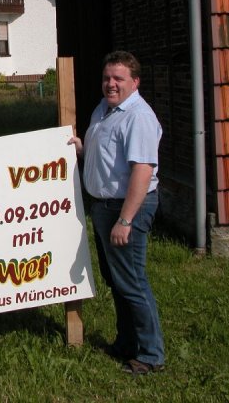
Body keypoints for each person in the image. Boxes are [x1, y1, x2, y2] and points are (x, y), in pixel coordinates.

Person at [69, 50, 165, 375]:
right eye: (107, 78)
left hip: (126, 208)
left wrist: (125, 220)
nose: (111, 84)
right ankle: (127, 342)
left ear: (135, 82)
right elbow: (109, 157)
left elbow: (142, 171)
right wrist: (81, 149)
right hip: (104, 207)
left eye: (118, 79)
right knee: (117, 280)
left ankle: (151, 355)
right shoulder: (105, 109)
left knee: (132, 281)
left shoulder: (138, 116)